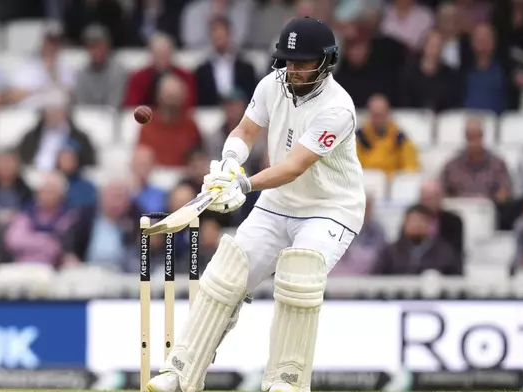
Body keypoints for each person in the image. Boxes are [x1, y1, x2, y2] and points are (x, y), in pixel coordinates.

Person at [147, 16, 365, 392]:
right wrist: (230, 162)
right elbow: (245, 131)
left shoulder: (338, 108)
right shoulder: (271, 85)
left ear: (327, 61)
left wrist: (243, 184)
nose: (294, 69)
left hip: (330, 207)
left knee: (299, 275)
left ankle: (286, 382)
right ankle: (181, 372)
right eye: (289, 61)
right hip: (279, 202)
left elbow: (294, 166)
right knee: (226, 273)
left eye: (303, 62)